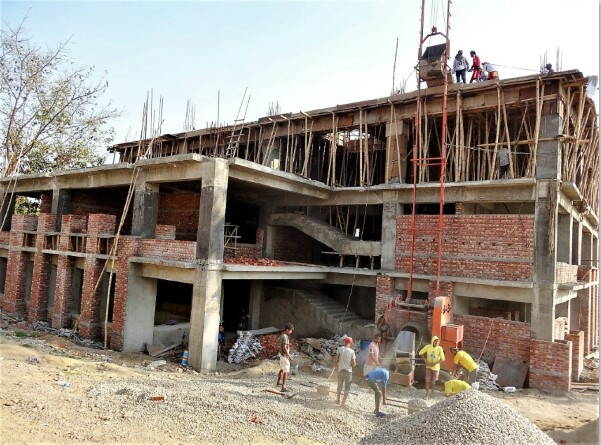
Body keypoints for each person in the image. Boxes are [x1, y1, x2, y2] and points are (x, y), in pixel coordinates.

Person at [333, 337, 356, 406]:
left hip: (340, 370)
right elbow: (354, 364)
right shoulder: (352, 351)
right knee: (347, 388)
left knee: (339, 386)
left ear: (344, 342)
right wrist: (351, 364)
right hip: (348, 372)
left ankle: (338, 400)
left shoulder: (340, 349)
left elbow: (335, 360)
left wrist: (337, 365)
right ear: (350, 343)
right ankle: (343, 403)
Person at [276, 323, 294, 392]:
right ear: (287, 330)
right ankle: (283, 387)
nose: (291, 332)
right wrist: (289, 355)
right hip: (284, 356)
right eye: (291, 330)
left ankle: (278, 382)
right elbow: (284, 347)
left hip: (281, 355)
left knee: (281, 369)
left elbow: (282, 345)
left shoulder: (282, 335)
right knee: (286, 371)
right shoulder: (285, 337)